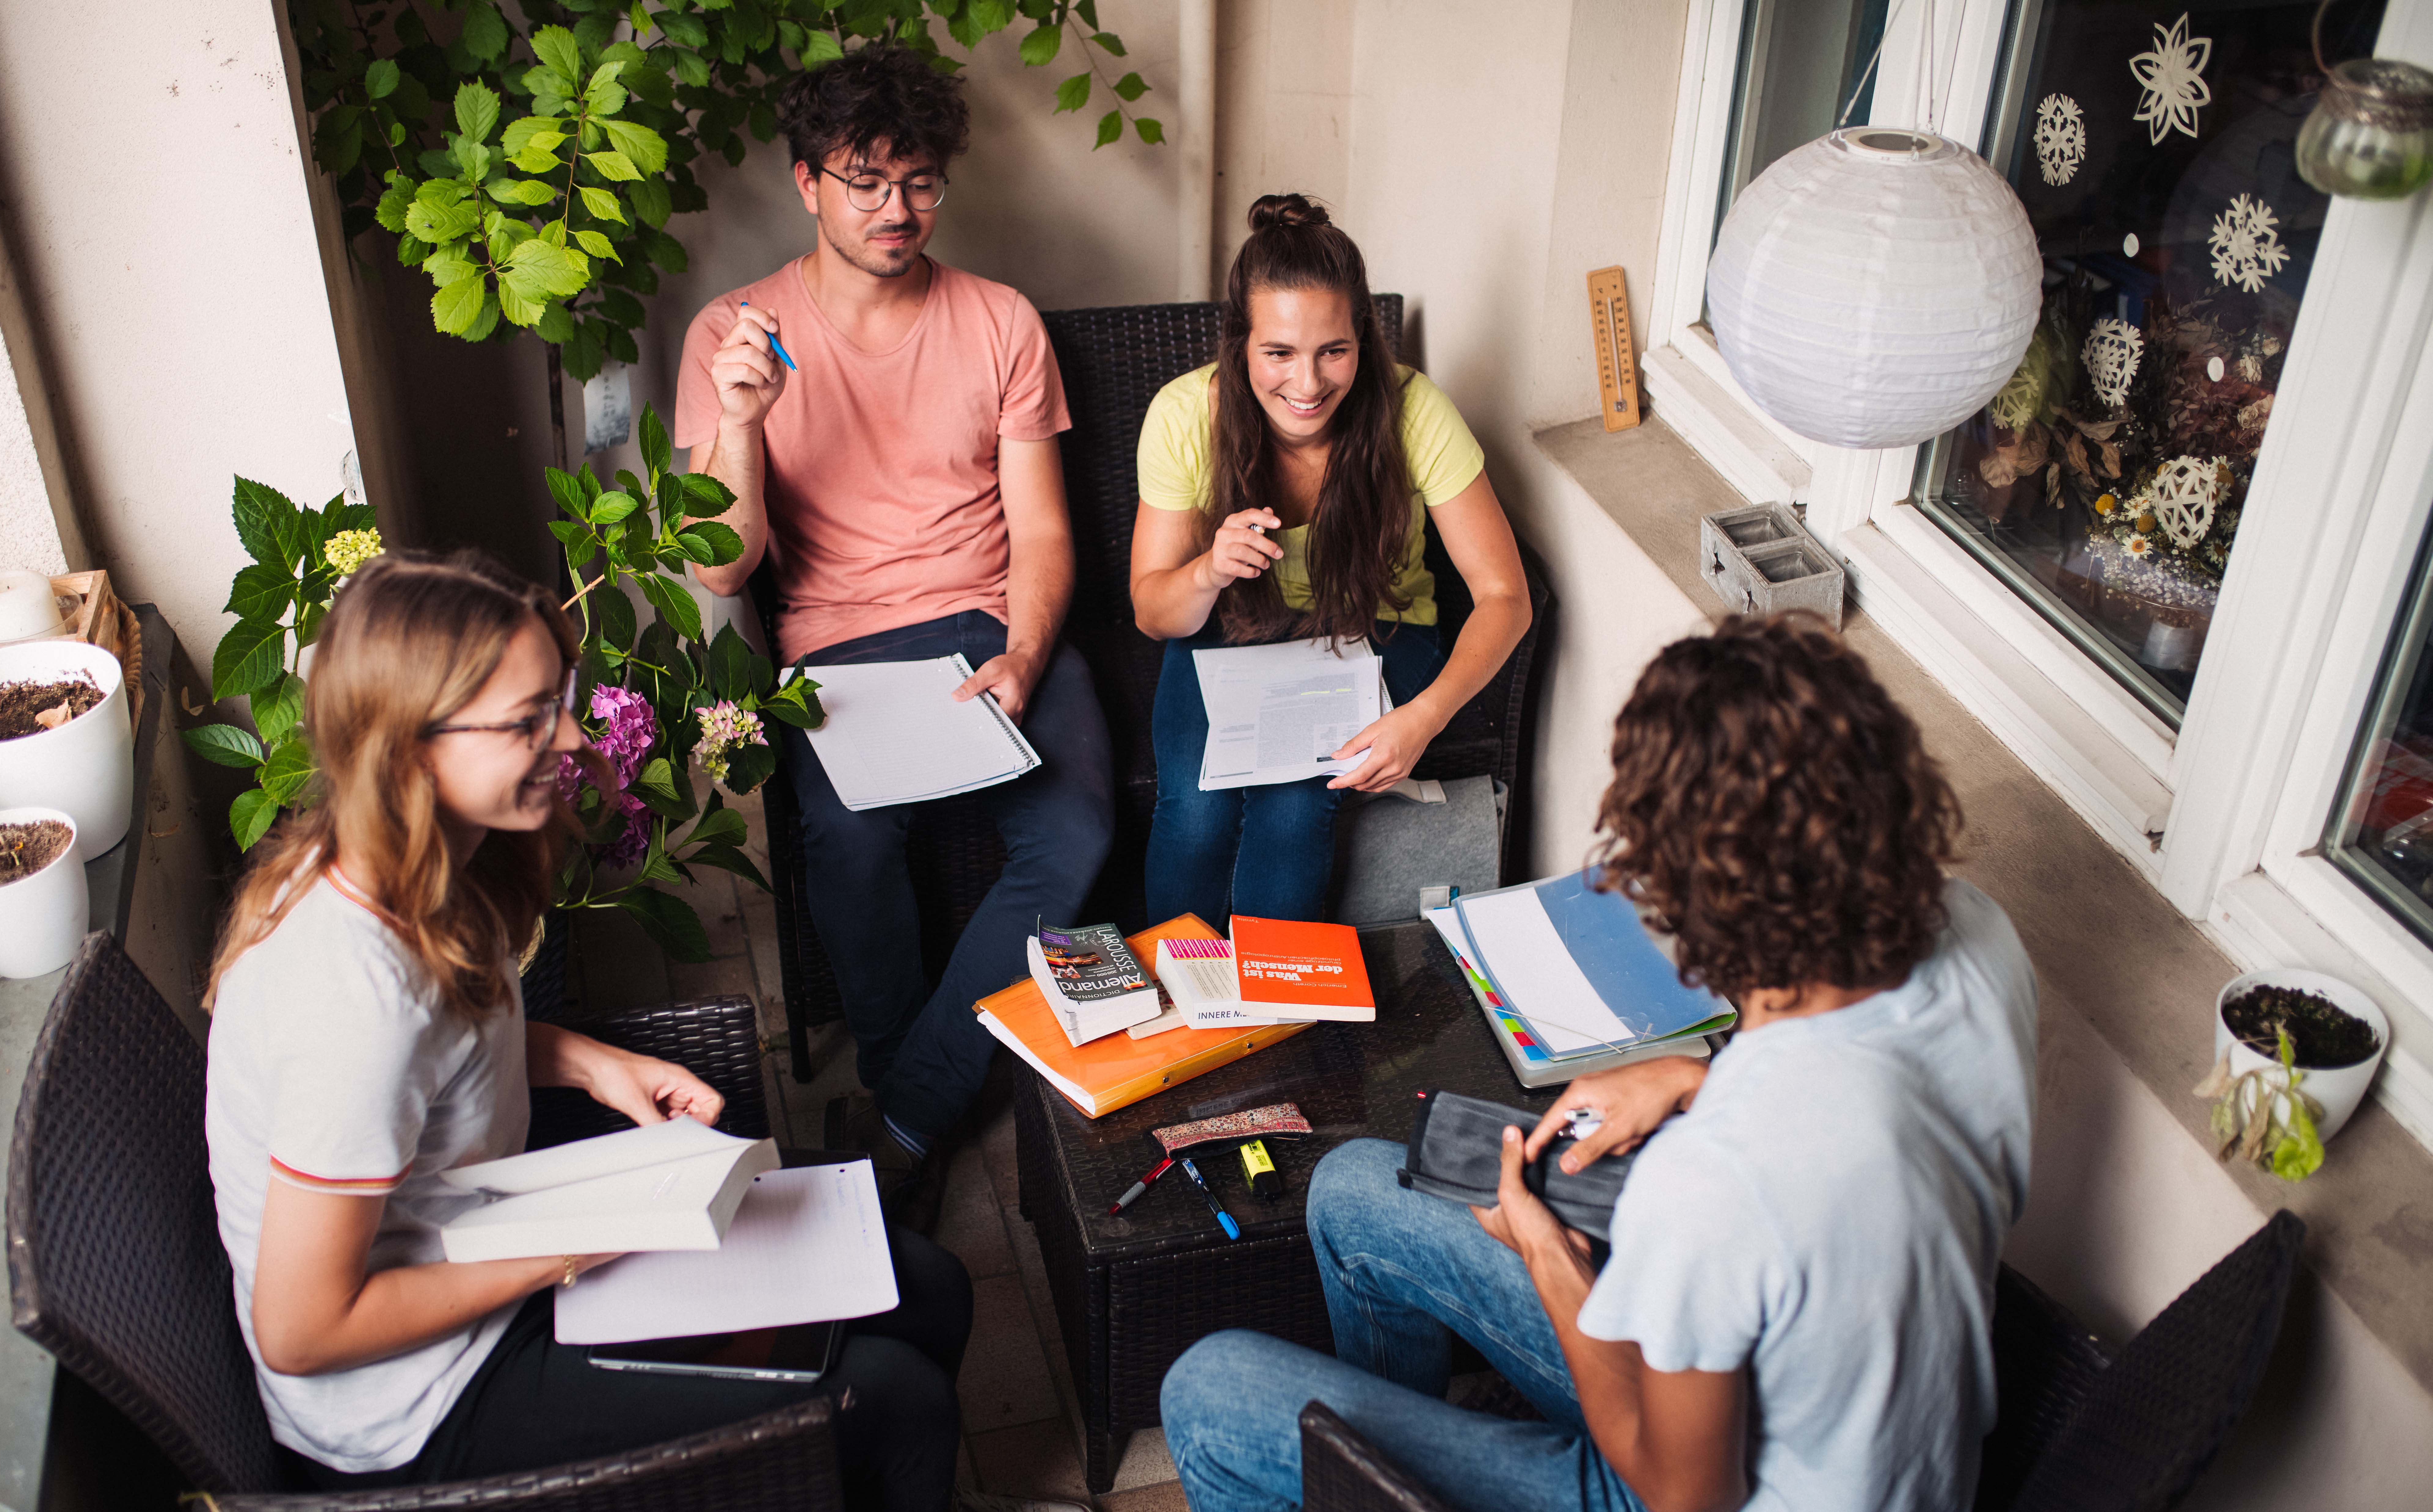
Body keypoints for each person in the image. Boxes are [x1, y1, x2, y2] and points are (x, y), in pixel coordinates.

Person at [1159, 614, 2039, 1512]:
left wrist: (1550, 1258)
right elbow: (1868, 1125)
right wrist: (1702, 1077)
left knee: (1210, 1393)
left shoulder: (1720, 1179)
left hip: (1702, 1487)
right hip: (1889, 1444)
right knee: (1350, 1188)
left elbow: (1684, 1495)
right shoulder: (1977, 938)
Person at [202, 551, 976, 1512]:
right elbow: (302, 1330)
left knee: (928, 1286)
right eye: (528, 719)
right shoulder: (352, 1001)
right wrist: (570, 1248)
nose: (569, 734)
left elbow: (441, 1049)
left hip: (487, 1237)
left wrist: (592, 1062)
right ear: (412, 748)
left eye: (557, 698)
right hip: (426, 1401)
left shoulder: (424, 858)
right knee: (896, 1401)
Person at [673, 45, 1113, 1231]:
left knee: (1074, 826)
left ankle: (907, 1114)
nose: (896, 210)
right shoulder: (735, 333)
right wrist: (738, 421)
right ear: (808, 180)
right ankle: (922, 1090)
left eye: (918, 182)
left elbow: (1043, 529)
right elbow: (721, 564)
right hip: (840, 642)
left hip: (987, 621)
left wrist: (1024, 652)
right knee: (851, 849)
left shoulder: (1000, 321)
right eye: (867, 181)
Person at [1128, 194, 1531, 931]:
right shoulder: (1185, 414)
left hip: (1378, 627)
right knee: (1194, 809)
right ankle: (1180, 1007)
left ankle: (1277, 1019)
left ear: (1363, 338)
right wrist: (1208, 569)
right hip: (1231, 627)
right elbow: (1154, 613)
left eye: (1333, 351)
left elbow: (1506, 594)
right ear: (1238, 343)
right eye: (1278, 352)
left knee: (1292, 798)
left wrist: (1423, 719)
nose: (1307, 385)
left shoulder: (1415, 409)